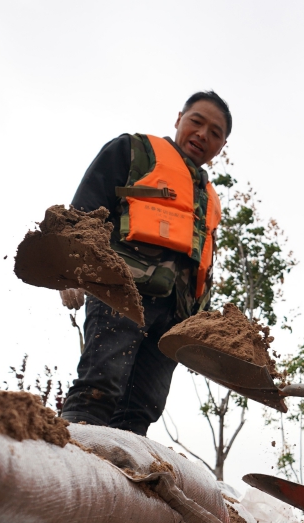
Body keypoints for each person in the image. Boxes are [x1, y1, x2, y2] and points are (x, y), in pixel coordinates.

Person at [59, 91, 231, 435]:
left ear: (221, 146)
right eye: (197, 122)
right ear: (178, 118)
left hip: (174, 318)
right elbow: (88, 205)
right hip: (122, 290)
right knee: (100, 385)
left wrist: (201, 329)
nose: (202, 135)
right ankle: (69, 461)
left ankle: (118, 479)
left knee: (143, 408)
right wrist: (71, 268)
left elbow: (201, 268)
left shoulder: (209, 200)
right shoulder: (135, 151)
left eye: (215, 133)